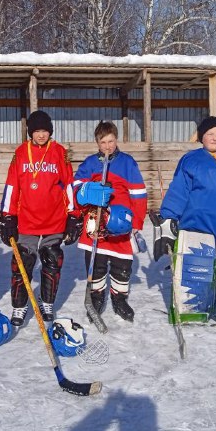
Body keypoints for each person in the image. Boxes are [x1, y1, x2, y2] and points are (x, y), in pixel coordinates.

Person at [0, 110, 77, 326]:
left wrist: (73, 215)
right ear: (30, 132)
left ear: (50, 132)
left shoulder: (59, 152)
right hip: (27, 219)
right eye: (37, 131)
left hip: (54, 217)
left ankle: (47, 302)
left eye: (44, 131)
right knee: (22, 262)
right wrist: (7, 216)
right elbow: (12, 185)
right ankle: (19, 306)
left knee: (53, 260)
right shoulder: (22, 152)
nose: (41, 135)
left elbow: (68, 185)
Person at [72, 121, 147, 322]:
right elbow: (76, 186)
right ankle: (96, 297)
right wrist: (86, 192)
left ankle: (119, 299)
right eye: (103, 142)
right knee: (96, 263)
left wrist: (136, 223)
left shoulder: (127, 163)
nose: (108, 146)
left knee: (122, 265)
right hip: (96, 223)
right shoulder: (90, 163)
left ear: (116, 139)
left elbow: (138, 193)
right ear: (97, 143)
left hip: (120, 223)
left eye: (111, 141)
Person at [157, 117, 216, 245]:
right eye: (210, 134)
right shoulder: (191, 160)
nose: (215, 138)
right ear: (201, 137)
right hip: (196, 230)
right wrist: (168, 218)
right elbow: (178, 192)